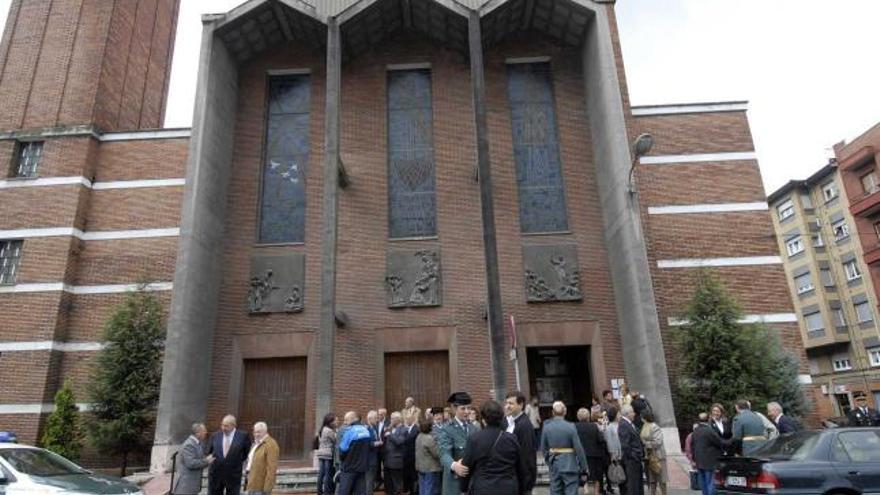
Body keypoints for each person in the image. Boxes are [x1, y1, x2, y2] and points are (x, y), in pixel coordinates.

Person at [453, 400, 528, 495]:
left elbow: (466, 468)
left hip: (483, 488)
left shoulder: (475, 439)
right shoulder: (511, 439)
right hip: (508, 488)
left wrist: (463, 489)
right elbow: (521, 468)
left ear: (483, 419)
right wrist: (522, 489)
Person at [541, 401, 587, 495]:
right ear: (565, 412)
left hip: (554, 464)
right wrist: (584, 467)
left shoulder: (546, 427)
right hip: (570, 464)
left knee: (555, 491)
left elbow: (543, 448)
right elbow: (578, 449)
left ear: (553, 412)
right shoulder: (570, 427)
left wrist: (549, 461)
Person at [437, 392, 473, 495]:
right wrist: (454, 465)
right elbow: (444, 453)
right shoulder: (446, 429)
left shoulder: (474, 428)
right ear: (454, 409)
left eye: (469, 408)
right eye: (463, 408)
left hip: (472, 483)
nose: (467, 412)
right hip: (454, 483)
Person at [208, 415, 252, 495]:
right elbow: (210, 452)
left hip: (233, 475)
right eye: (222, 425)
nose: (223, 428)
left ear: (233, 425)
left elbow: (246, 452)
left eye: (226, 426)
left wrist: (235, 461)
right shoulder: (215, 435)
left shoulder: (243, 436)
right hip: (216, 475)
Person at [504, 391, 537, 494]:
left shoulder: (524, 426)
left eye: (511, 403)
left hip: (521, 482)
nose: (507, 406)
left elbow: (527, 456)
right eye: (506, 403)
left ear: (521, 404)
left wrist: (526, 485)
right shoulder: (509, 421)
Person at [337, 411, 374, 495]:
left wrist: (342, 462)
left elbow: (342, 451)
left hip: (349, 468)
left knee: (344, 491)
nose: (345, 422)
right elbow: (370, 447)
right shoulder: (366, 431)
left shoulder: (349, 431)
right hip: (362, 468)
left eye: (346, 420)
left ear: (353, 419)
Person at [173, 423, 215, 495]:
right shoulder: (189, 444)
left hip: (191, 484)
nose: (206, 432)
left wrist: (206, 459)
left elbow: (197, 458)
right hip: (186, 485)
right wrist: (207, 461)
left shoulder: (197, 443)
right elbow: (191, 463)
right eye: (204, 431)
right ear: (198, 433)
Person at [691, 413, 726, 495]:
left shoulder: (695, 431)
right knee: (710, 481)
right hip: (709, 460)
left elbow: (692, 445)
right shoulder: (709, 431)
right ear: (708, 419)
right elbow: (719, 442)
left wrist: (694, 459)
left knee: (703, 482)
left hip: (699, 460)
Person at [575, 409, 607, 495]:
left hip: (581, 454)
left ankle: (586, 490)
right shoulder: (594, 426)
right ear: (588, 416)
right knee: (596, 475)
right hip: (594, 454)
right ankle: (596, 492)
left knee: (583, 472)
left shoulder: (574, 426)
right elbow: (601, 439)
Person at [245, 422, 279, 495]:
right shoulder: (255, 444)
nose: (256, 434)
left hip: (261, 487)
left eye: (259, 432)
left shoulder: (271, 444)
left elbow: (271, 468)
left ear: (265, 432)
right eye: (255, 432)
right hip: (252, 484)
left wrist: (267, 488)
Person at [618, 405, 644, 495]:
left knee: (637, 484)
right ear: (627, 413)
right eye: (632, 412)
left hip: (634, 459)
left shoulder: (628, 423)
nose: (634, 414)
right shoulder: (623, 425)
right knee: (633, 485)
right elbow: (625, 445)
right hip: (631, 460)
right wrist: (634, 455)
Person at [639, 412, 666, 495]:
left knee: (661, 478)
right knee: (652, 479)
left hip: (658, 455)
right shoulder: (644, 426)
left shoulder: (655, 427)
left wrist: (646, 443)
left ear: (644, 418)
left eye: (641, 417)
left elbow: (658, 441)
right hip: (649, 456)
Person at [416, 417, 442, 495]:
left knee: (422, 488)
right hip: (430, 468)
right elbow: (437, 454)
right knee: (429, 489)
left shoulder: (419, 436)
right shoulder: (429, 439)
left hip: (420, 467)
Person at [315, 413, 337, 495]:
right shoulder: (329, 431)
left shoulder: (322, 429)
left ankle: (319, 491)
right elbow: (335, 440)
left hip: (321, 453)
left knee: (321, 473)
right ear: (330, 422)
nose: (336, 422)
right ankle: (327, 492)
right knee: (328, 474)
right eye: (335, 420)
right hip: (328, 454)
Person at [384, 412, 406, 495]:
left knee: (397, 484)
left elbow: (399, 441)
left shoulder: (403, 429)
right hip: (387, 460)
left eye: (392, 418)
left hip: (396, 461)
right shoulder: (391, 428)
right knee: (389, 484)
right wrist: (388, 430)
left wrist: (390, 434)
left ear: (398, 419)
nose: (391, 420)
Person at [604, 407, 622, 494]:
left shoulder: (621, 424)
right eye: (618, 414)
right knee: (620, 475)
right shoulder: (609, 427)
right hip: (617, 455)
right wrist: (613, 454)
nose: (620, 415)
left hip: (623, 453)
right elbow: (609, 443)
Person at [402, 410, 420, 494]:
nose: (406, 420)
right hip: (405, 457)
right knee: (406, 475)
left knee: (413, 476)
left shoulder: (416, 429)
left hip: (413, 457)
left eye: (407, 419)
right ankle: (407, 490)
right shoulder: (405, 428)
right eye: (405, 419)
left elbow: (408, 440)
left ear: (412, 419)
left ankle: (413, 491)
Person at [365, 411, 381, 494]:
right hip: (369, 459)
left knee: (371, 480)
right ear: (369, 419)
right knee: (369, 481)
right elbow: (365, 443)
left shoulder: (374, 428)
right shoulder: (366, 429)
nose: (377, 420)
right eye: (375, 418)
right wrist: (376, 443)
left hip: (374, 458)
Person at [376, 408, 388, 491]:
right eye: (378, 414)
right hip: (377, 448)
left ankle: (386, 484)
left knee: (386, 466)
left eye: (380, 414)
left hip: (385, 449)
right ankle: (378, 482)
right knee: (377, 466)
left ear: (384, 415)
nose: (378, 415)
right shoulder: (376, 423)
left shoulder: (389, 423)